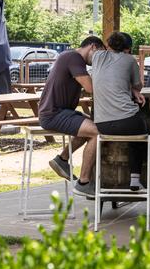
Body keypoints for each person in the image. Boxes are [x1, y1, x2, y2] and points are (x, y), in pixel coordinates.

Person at [92, 32, 150, 190]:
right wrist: (133, 90)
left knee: (136, 135)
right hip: (126, 120)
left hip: (101, 124)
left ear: (108, 45)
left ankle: (136, 180)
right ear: (127, 49)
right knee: (142, 134)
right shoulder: (129, 60)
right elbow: (138, 85)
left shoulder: (97, 57)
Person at [39, 36, 105, 197]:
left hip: (60, 112)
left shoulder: (70, 57)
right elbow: (90, 87)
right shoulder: (74, 57)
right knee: (98, 132)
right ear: (93, 47)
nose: (99, 59)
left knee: (89, 128)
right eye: (100, 54)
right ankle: (84, 182)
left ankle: (62, 159)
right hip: (54, 114)